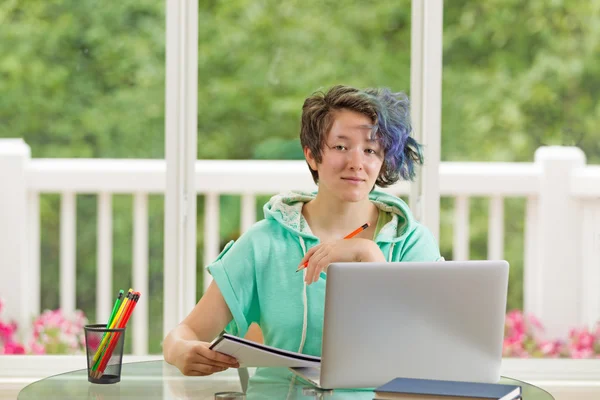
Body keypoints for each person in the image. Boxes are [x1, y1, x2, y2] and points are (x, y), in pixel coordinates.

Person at [162, 85, 442, 377]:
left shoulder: (412, 244)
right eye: (340, 147)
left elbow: (425, 350)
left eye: (370, 150)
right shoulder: (264, 242)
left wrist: (368, 255)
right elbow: (186, 332)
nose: (357, 163)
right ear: (312, 155)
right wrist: (179, 350)